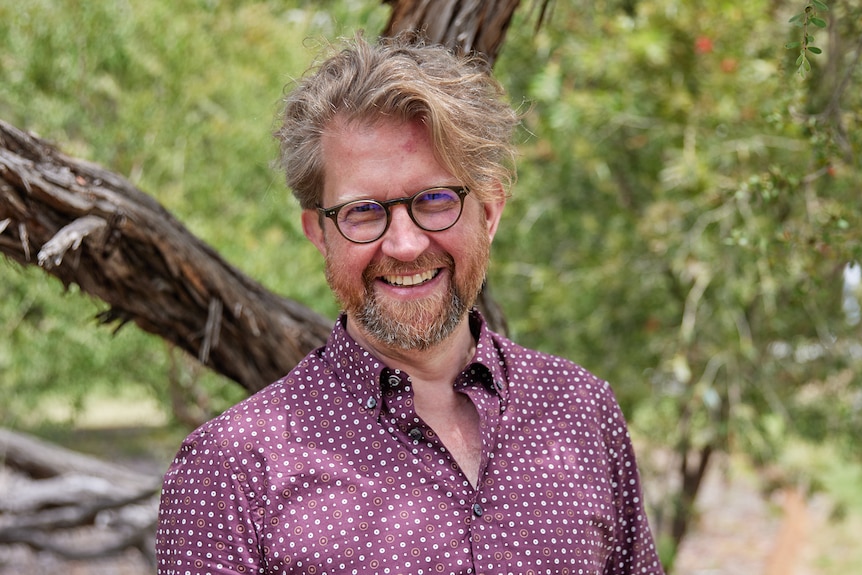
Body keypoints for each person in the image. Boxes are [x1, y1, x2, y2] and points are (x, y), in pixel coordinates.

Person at [156, 33, 665, 575]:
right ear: (320, 233)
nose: (404, 245)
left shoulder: (580, 411)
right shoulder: (231, 469)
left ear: (489, 212)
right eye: (363, 212)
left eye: (435, 200)